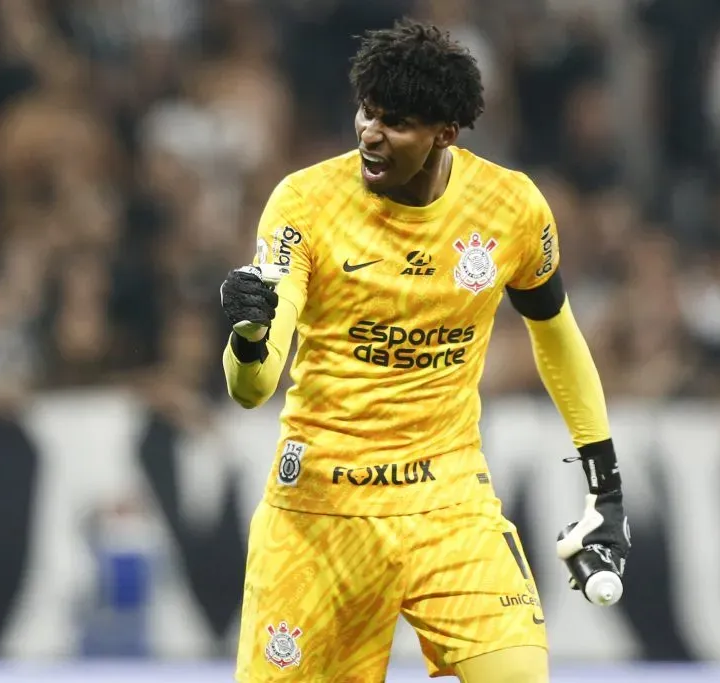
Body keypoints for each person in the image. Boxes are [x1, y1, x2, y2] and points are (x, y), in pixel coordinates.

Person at [220, 19, 630, 683]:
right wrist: (247, 336)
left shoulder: (511, 208)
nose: (370, 134)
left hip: (449, 505)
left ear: (446, 132)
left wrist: (604, 486)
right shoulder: (303, 203)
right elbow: (253, 385)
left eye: (397, 122)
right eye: (367, 113)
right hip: (321, 515)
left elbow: (556, 333)